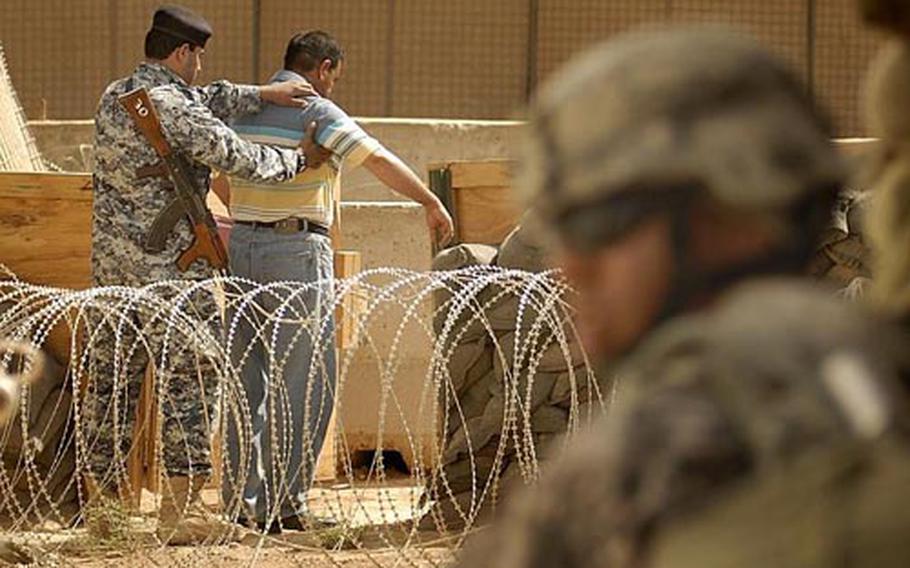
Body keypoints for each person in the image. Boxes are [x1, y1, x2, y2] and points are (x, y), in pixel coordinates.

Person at [456, 27, 910, 568]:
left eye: (605, 223)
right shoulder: (862, 363)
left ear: (736, 215)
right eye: (564, 228)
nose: (573, 264)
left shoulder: (698, 431)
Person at [86, 5, 330, 545]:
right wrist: (300, 160)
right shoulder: (178, 107)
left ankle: (102, 513)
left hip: (111, 271)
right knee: (191, 382)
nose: (202, 67)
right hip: (171, 272)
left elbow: (208, 96)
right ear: (184, 53)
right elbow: (237, 155)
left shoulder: (117, 95)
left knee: (111, 386)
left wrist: (263, 96)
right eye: (198, 57)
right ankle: (183, 510)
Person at [220, 30, 454, 533]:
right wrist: (429, 202)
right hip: (295, 251)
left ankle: (240, 502)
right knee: (304, 382)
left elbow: (217, 173)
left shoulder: (243, 106)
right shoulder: (315, 110)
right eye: (334, 77)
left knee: (248, 382)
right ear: (323, 68)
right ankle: (286, 505)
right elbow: (378, 159)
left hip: (241, 245)